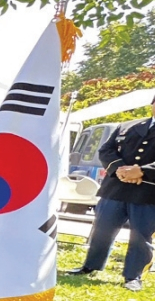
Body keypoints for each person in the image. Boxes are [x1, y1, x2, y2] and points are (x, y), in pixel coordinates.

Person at [64, 94, 155, 291]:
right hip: (115, 188)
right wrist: (120, 169)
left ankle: (133, 276)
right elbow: (106, 150)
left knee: (141, 236)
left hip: (147, 193)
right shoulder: (127, 126)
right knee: (102, 231)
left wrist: (142, 171)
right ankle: (91, 265)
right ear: (152, 104)